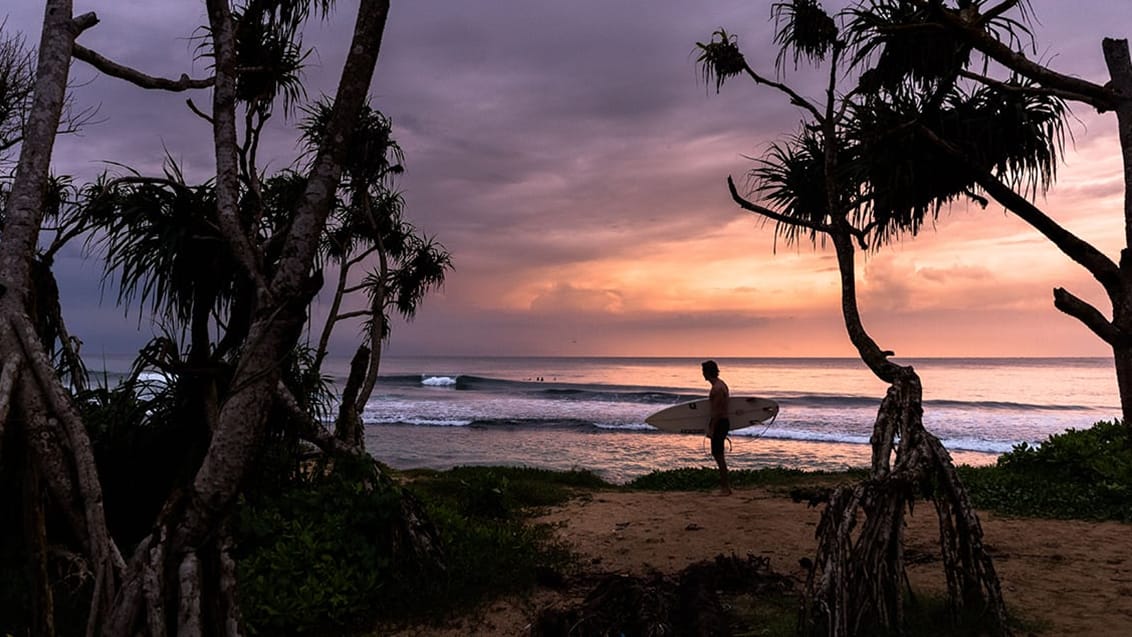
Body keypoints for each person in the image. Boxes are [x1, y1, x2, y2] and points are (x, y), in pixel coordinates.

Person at [701, 360, 731, 495]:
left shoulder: (717, 388)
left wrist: (711, 428)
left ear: (708, 372)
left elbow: (717, 411)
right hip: (722, 422)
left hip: (720, 423)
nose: (702, 374)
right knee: (718, 455)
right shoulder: (721, 384)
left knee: (719, 456)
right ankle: (725, 487)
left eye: (703, 371)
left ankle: (725, 489)